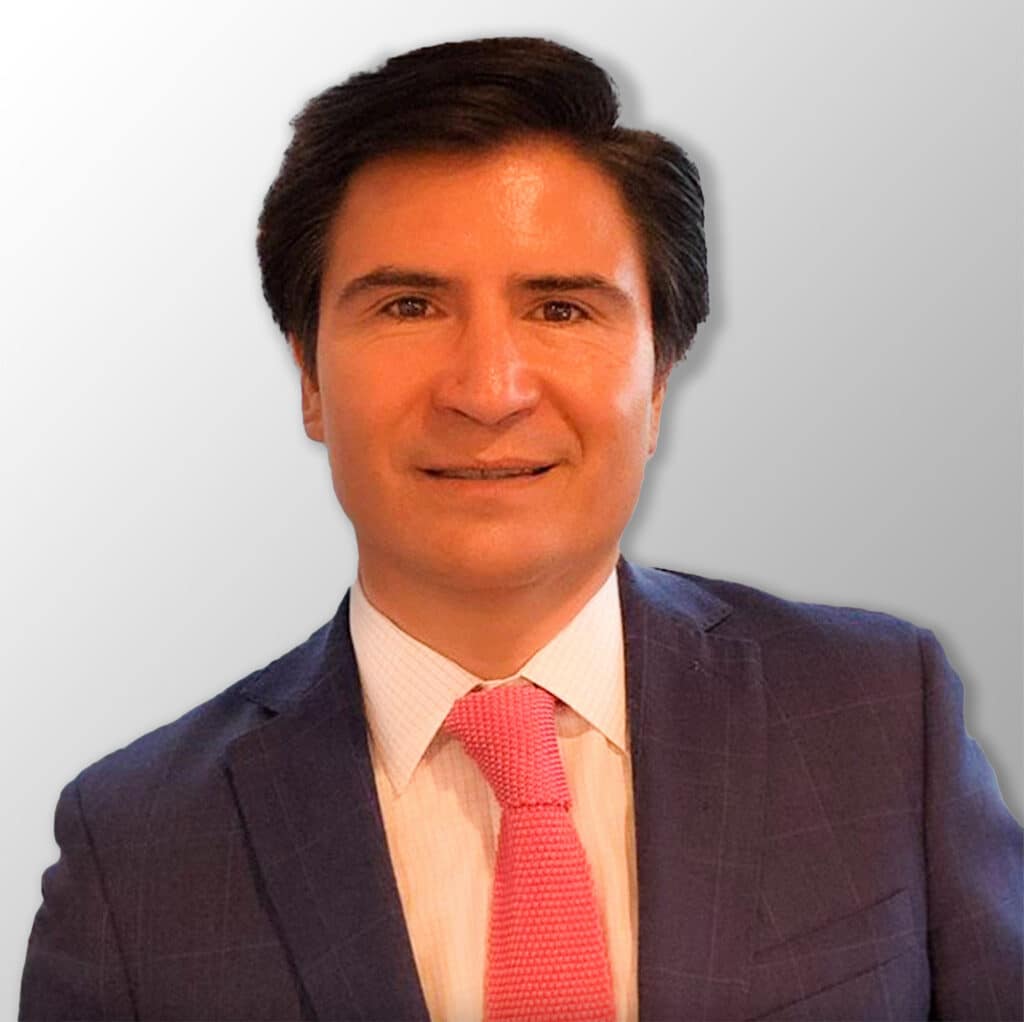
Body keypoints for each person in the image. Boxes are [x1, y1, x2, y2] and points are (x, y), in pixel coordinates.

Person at [19, 36, 1022, 1022]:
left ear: (659, 378)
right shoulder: (137, 847)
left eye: (561, 310)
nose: (488, 391)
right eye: (409, 305)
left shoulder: (876, 714)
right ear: (310, 377)